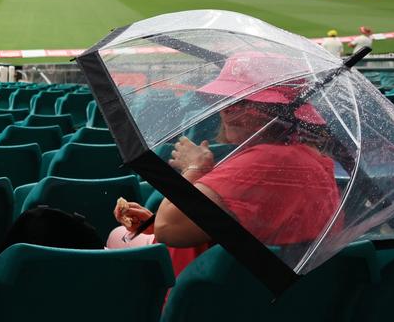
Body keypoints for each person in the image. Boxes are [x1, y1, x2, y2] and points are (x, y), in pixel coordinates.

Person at [110, 52, 341, 277]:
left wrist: (194, 168)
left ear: (276, 113)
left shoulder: (260, 163)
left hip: (212, 292)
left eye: (241, 103)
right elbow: (244, 224)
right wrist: (152, 223)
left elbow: (169, 229)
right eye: (227, 100)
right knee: (125, 233)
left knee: (116, 236)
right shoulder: (313, 160)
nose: (225, 110)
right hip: (251, 284)